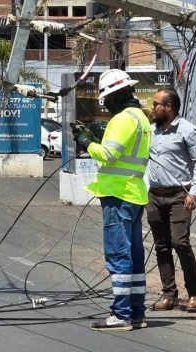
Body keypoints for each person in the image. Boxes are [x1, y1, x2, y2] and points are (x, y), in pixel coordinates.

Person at [70, 69, 151, 331]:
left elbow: (108, 155)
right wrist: (94, 138)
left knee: (118, 252)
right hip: (134, 193)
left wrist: (85, 142)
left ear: (116, 95)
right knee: (135, 254)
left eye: (106, 98)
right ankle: (136, 312)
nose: (105, 103)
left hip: (118, 195)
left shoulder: (123, 119)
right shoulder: (140, 117)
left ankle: (121, 314)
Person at [145, 88, 196, 313]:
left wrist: (194, 191)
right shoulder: (151, 131)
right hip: (154, 195)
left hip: (179, 196)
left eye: (156, 104)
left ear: (168, 107)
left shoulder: (187, 130)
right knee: (161, 246)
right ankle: (169, 295)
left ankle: (193, 294)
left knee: (180, 242)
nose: (153, 108)